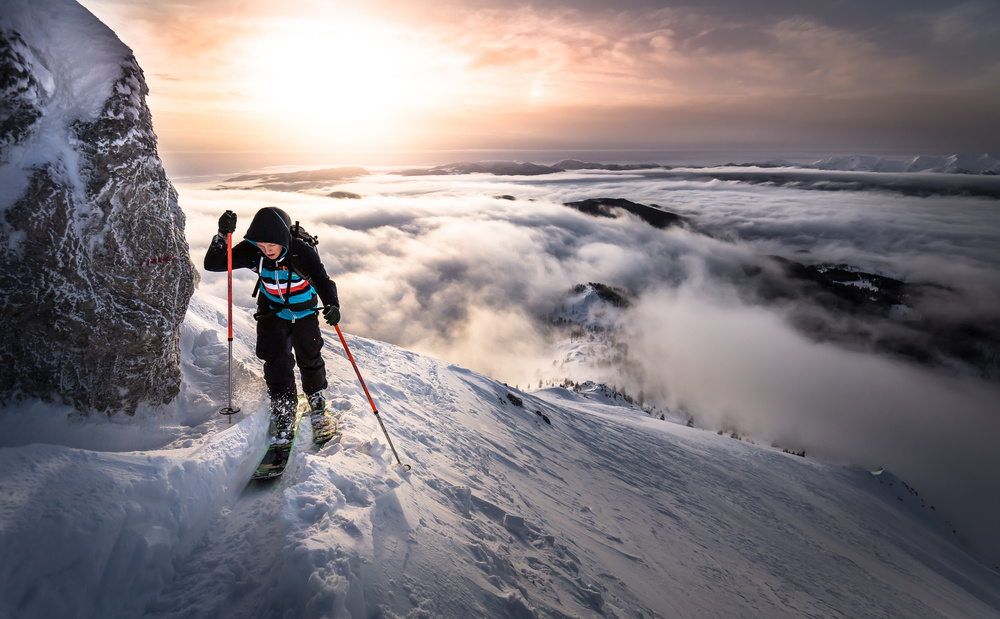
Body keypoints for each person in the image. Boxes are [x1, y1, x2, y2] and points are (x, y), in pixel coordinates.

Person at [205, 206, 340, 442]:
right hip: (272, 311)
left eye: (272, 246)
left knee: (309, 356)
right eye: (262, 245)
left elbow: (322, 279)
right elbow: (215, 263)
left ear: (283, 240)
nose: (267, 251)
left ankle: (317, 402)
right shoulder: (254, 252)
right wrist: (222, 235)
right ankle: (284, 408)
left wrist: (332, 304)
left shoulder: (301, 252)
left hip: (304, 311)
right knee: (275, 359)